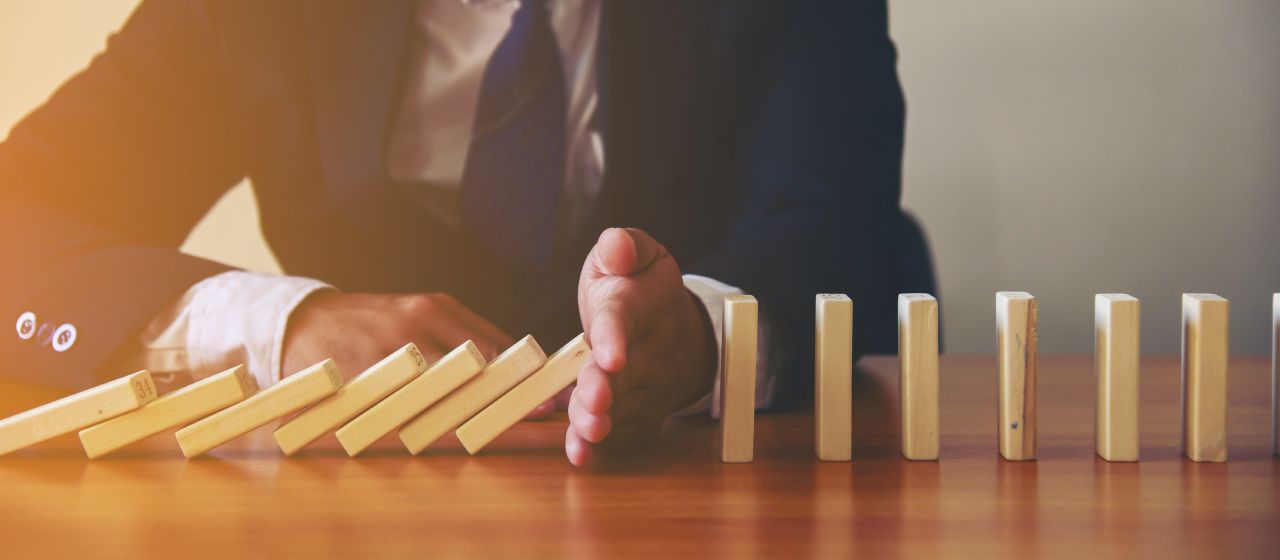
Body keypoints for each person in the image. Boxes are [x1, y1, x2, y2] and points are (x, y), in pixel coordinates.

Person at [0, 0, 911, 466]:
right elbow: (19, 217)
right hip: (367, 495)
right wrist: (286, 329)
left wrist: (706, 337)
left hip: (705, 488)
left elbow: (837, 216)